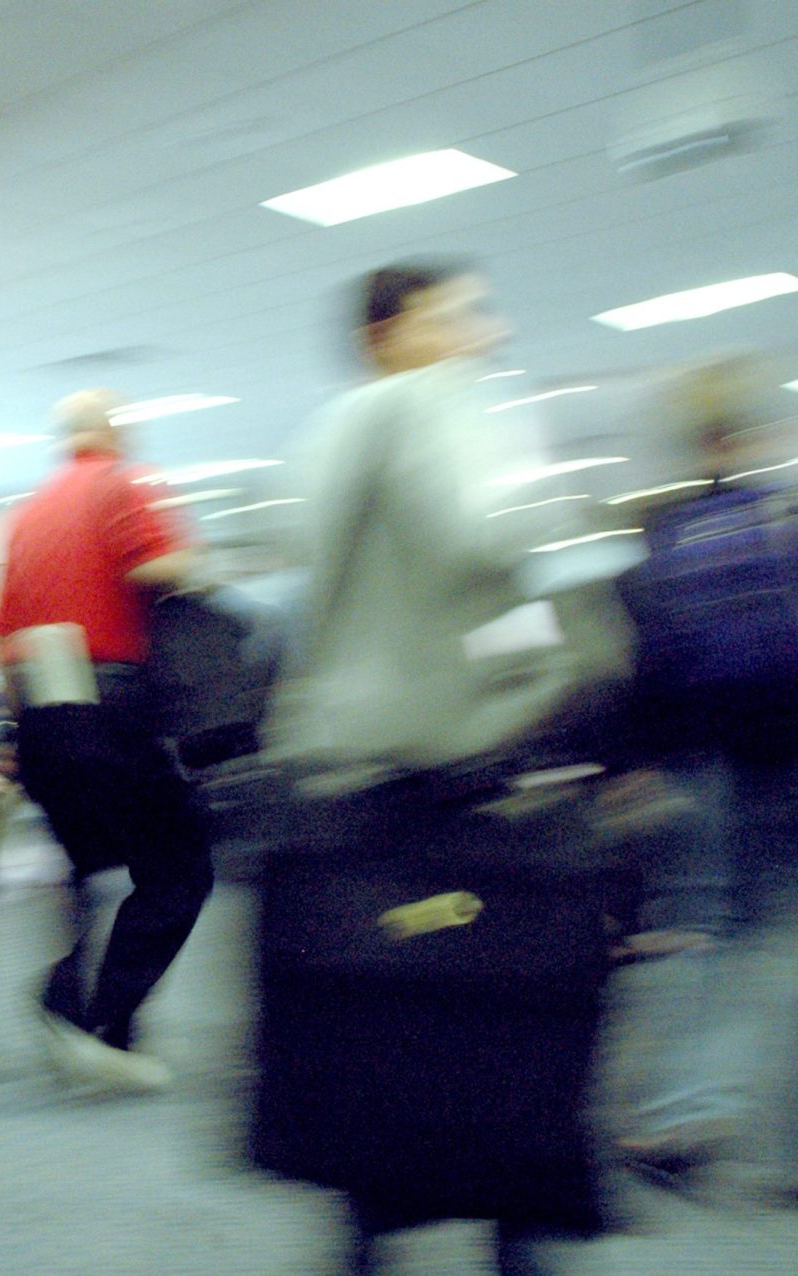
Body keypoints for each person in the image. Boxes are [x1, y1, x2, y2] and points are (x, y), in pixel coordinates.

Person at [260, 262, 615, 1276]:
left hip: (350, 805)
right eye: (460, 311)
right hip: (457, 796)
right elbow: (485, 539)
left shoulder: (322, 433)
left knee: (375, 1098)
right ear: (392, 329)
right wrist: (570, 633)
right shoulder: (438, 405)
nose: (484, 331)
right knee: (514, 1092)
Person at [613, 356, 798, 1203]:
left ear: (694, 446)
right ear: (761, 436)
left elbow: (645, 668)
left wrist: (638, 765)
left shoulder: (661, 542)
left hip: (716, 770)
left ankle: (681, 1121)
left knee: (716, 942)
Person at [0, 389, 215, 1093]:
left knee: (89, 865)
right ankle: (100, 1021)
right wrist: (199, 565)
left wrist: (10, 740)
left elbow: (2, 638)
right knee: (179, 868)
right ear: (113, 430)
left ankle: (70, 1003)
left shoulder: (23, 516)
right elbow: (160, 567)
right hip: (110, 708)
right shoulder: (124, 482)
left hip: (42, 718)